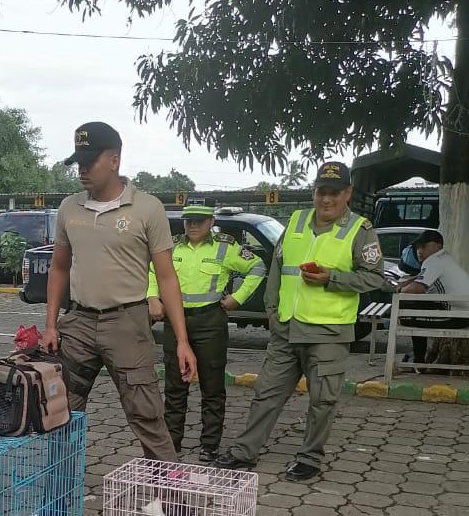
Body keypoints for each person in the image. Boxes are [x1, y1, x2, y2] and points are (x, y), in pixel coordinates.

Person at [218, 161, 386, 482]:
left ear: (347, 193)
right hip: (285, 329)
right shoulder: (295, 221)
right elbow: (278, 269)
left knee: (322, 399)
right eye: (322, 191)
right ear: (314, 191)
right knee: (266, 393)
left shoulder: (360, 230)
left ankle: (309, 458)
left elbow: (374, 278)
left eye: (335, 193)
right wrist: (271, 309)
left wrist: (331, 278)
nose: (327, 200)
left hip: (329, 333)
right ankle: (244, 453)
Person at [40, 122, 196, 459]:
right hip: (78, 322)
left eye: (89, 161)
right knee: (60, 412)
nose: (82, 170)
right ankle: (57, 502)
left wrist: (182, 341)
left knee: (147, 414)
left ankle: (170, 501)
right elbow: (59, 267)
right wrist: (51, 324)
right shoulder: (70, 208)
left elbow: (167, 278)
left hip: (127, 323)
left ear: (114, 160)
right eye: (78, 162)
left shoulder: (147, 208)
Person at [148, 198, 266, 462]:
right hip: (175, 322)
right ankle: (172, 443)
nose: (192, 225)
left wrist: (239, 297)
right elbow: (153, 271)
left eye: (199, 220)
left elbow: (257, 267)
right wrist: (152, 296)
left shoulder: (226, 247)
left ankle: (209, 444)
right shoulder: (172, 245)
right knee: (175, 386)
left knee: (212, 388)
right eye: (189, 220)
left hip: (209, 322)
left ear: (211, 222)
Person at [398, 229, 469, 364]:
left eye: (424, 246)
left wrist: (400, 290)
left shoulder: (433, 261)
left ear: (437, 246)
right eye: (418, 246)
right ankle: (418, 358)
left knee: (408, 315)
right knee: (411, 309)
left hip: (457, 316)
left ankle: (418, 361)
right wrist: (408, 282)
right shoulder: (444, 258)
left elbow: (417, 288)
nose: (419, 250)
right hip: (459, 312)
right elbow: (420, 279)